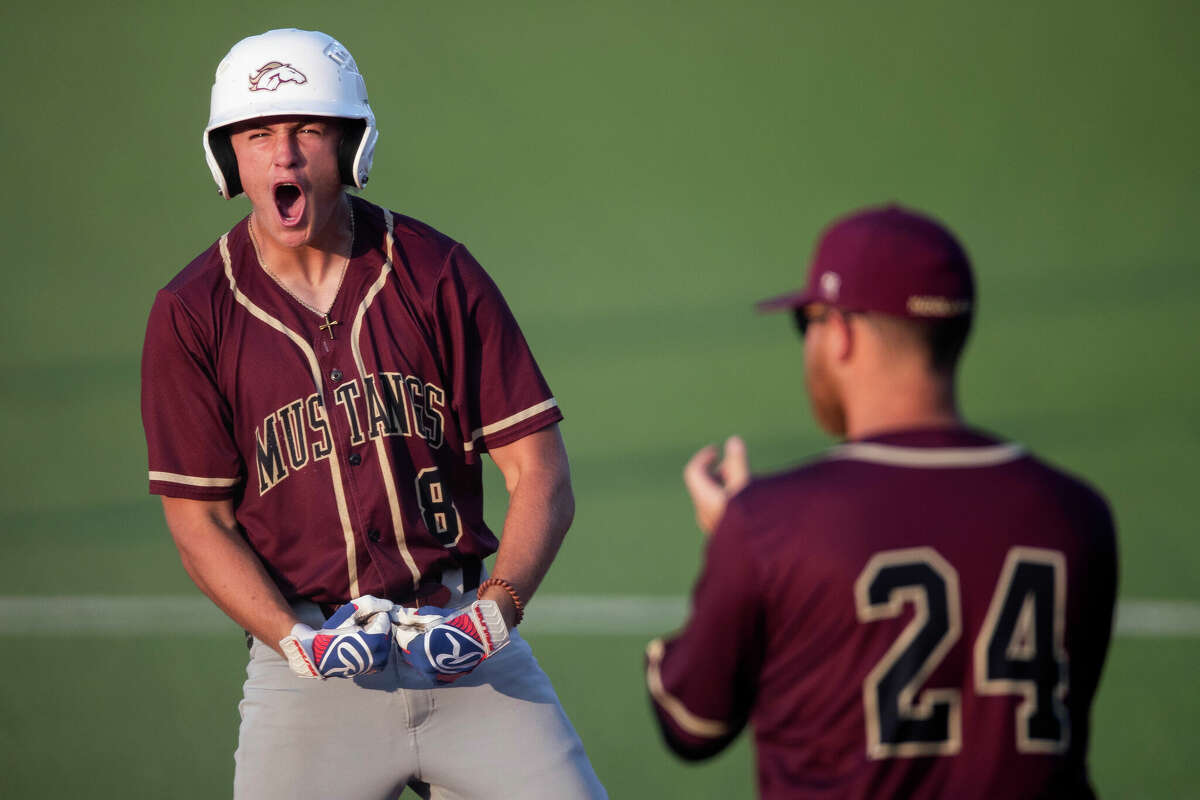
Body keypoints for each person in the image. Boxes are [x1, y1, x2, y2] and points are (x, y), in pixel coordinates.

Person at [141, 28, 605, 799]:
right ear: (228, 157)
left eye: (308, 131)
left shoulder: (435, 272)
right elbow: (200, 524)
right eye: (259, 135)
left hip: (467, 650)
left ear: (350, 145)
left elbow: (541, 471)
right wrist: (294, 640)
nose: (284, 157)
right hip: (306, 670)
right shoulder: (192, 313)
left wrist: (497, 612)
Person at [644, 205, 1118, 799]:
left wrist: (742, 545)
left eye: (808, 322)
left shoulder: (771, 525)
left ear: (840, 332)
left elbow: (691, 724)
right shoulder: (1077, 514)